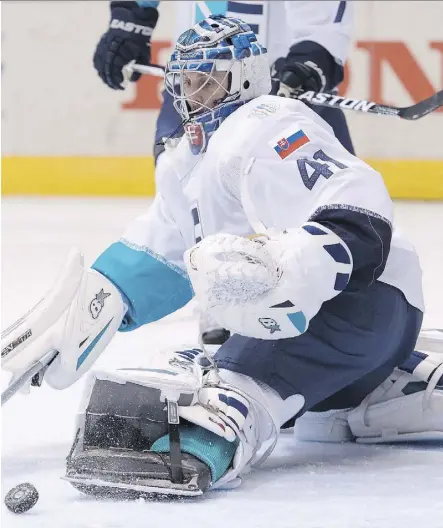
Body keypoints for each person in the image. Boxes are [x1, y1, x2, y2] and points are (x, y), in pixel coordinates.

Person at [6, 16, 442, 499]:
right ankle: (393, 385)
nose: (193, 95)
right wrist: (85, 311)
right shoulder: (189, 161)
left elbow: (358, 212)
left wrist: (283, 266)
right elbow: (162, 248)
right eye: (187, 82)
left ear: (248, 77)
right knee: (316, 407)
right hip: (358, 333)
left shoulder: (271, 122)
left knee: (234, 378)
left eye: (207, 81)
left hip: (360, 303)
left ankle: (212, 431)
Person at [93, 0, 356, 345]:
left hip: (284, 75)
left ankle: (341, 322)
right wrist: (132, 15)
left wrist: (316, 50)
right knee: (187, 181)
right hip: (204, 77)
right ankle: (220, 296)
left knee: (332, 209)